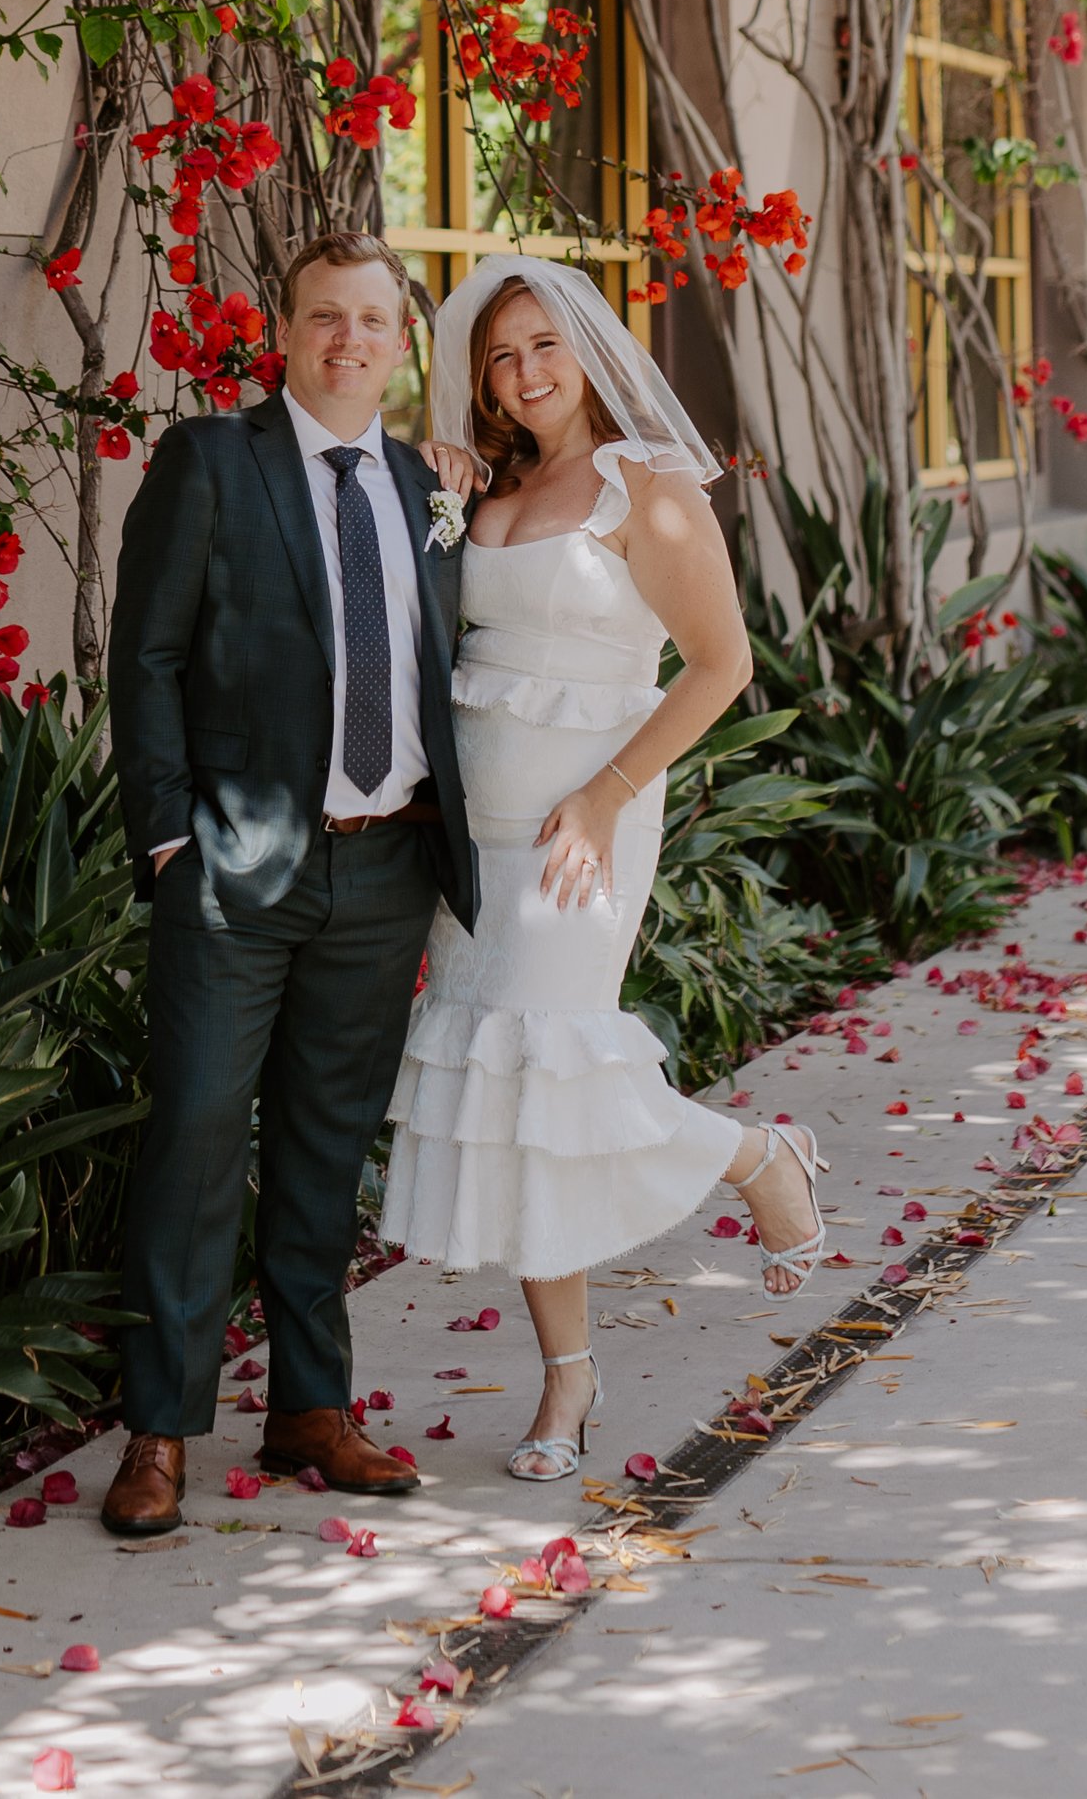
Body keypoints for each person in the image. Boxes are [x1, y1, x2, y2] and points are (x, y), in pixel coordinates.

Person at [380, 251, 828, 1482]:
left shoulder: (647, 486)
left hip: (588, 824)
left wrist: (602, 795)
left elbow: (720, 666)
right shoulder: (488, 484)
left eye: (543, 347)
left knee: (557, 1055)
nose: (524, 375)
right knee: (521, 1095)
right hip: (475, 832)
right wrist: (440, 483)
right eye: (500, 358)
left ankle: (756, 1157)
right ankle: (566, 1383)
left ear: (587, 347)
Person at [99, 232, 485, 1539]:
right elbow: (141, 655)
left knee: (327, 1148)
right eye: (328, 316)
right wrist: (165, 841)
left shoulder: (431, 484)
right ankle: (159, 1428)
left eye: (375, 319)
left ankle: (312, 1404)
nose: (351, 340)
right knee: (199, 1137)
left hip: (385, 868)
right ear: (288, 329)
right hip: (234, 869)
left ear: (399, 338)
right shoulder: (212, 463)